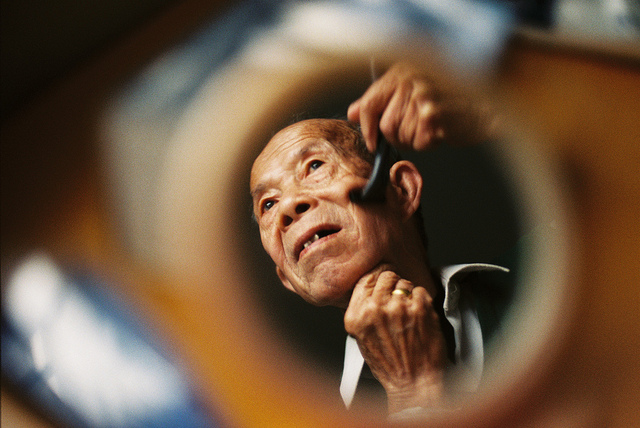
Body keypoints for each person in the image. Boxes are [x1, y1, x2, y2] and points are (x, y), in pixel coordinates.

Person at [249, 62, 510, 418]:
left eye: (314, 166)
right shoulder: (310, 416)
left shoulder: (553, 275)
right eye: (268, 204)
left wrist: (491, 114)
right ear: (286, 277)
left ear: (401, 190)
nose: (289, 207)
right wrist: (412, 391)